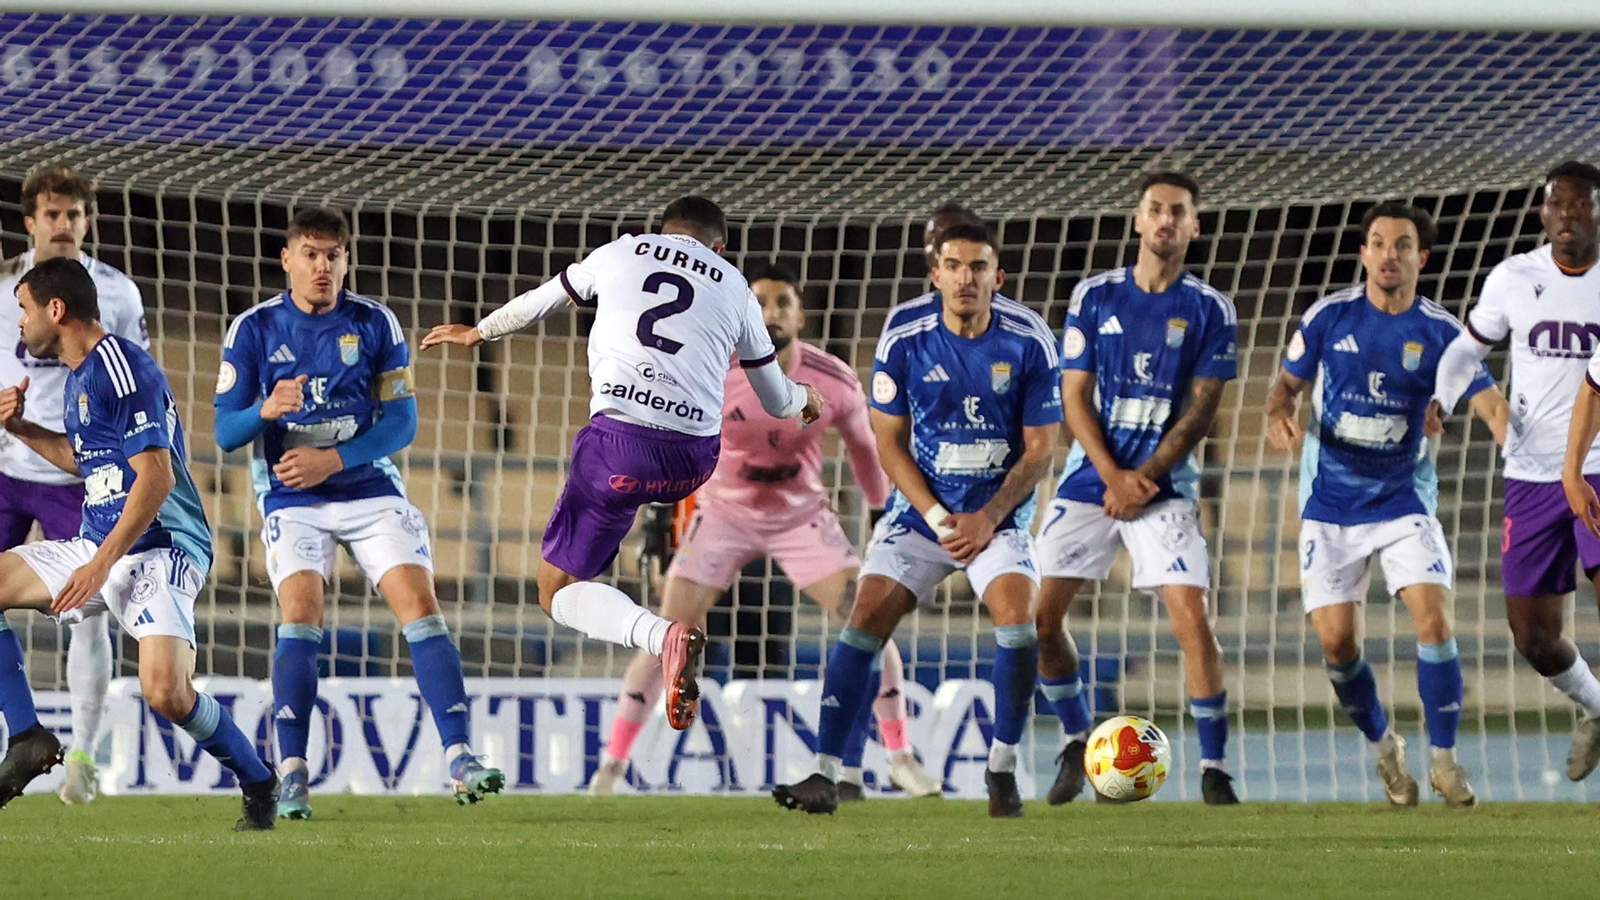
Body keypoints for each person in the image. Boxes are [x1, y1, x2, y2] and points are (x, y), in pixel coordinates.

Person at [422, 196, 821, 732]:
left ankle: (662, 635)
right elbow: (776, 401)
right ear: (721, 247)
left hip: (620, 449)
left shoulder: (623, 252)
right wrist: (804, 398)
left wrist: (479, 332)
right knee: (643, 493)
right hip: (691, 460)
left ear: (660, 231)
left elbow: (545, 299)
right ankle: (661, 541)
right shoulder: (735, 287)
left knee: (555, 590)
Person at [590, 264, 940, 799]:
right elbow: (668, 435)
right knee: (669, 630)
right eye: (761, 303)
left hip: (800, 518)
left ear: (800, 314)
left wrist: (880, 515)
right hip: (724, 514)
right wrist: (659, 509)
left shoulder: (833, 379)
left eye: (783, 303)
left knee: (871, 617)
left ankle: (899, 755)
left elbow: (869, 451)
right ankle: (611, 768)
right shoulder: (712, 368)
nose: (772, 313)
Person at [215, 208, 500, 819]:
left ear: (347, 259)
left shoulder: (374, 322)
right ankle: (291, 771)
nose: (324, 266)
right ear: (287, 259)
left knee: (422, 609)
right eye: (312, 254)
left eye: (335, 255)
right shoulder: (253, 329)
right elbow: (223, 432)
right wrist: (264, 411)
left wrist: (334, 459)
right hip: (292, 498)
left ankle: (460, 758)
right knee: (302, 613)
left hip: (367, 487)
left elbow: (402, 422)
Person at [772, 222, 1060, 818]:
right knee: (864, 619)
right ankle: (826, 774)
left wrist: (985, 518)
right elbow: (888, 441)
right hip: (919, 514)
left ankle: (1002, 766)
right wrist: (935, 515)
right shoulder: (905, 334)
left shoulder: (1030, 339)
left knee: (1019, 624)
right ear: (936, 275)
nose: (966, 278)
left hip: (996, 518)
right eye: (953, 265)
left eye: (978, 267)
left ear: (997, 278)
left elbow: (1040, 449)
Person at [0, 257, 278, 829]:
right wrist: (23, 430)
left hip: (161, 546)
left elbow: (157, 478)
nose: (20, 323)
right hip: (99, 542)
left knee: (167, 693)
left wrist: (99, 567)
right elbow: (89, 463)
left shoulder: (122, 366)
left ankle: (259, 780)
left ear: (56, 309)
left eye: (24, 309)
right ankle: (27, 735)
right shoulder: (80, 377)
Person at [1266, 202, 1507, 808]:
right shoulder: (1329, 317)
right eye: (1378, 243)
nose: (1389, 254)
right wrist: (1278, 413)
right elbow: (1285, 386)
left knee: (1435, 620)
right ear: (1364, 255)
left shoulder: (1443, 332)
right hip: (1330, 503)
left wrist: (1531, 462)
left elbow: (1491, 405)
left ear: (1420, 259)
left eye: (1402, 245)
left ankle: (1445, 761)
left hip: (1404, 500)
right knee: (1337, 645)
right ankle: (1384, 748)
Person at [1036, 171, 1240, 805]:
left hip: (1165, 489)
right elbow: (1073, 395)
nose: (1166, 221)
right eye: (1156, 209)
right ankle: (1076, 740)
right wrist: (1113, 476)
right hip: (1090, 481)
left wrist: (1143, 479)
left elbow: (1202, 410)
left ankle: (1214, 769)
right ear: (1137, 220)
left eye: (1179, 212)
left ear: (1194, 225)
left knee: (1193, 621)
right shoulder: (1094, 297)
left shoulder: (1210, 308)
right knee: (1038, 620)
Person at [1441, 161, 1600, 781]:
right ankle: (1593, 706)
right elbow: (1466, 349)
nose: (1568, 217)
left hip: (1597, 468)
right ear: (1542, 215)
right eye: (1557, 207)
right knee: (1533, 636)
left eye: (1581, 206)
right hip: (1531, 474)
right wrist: (1442, 398)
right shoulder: (1514, 278)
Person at [0, 164, 149, 805]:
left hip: (78, 478)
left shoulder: (115, 295)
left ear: (88, 222)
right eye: (52, 215)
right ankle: (24, 731)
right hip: (6, 468)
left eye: (74, 215)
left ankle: (82, 756)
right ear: (30, 222)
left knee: (87, 618)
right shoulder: (6, 292)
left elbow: (139, 385)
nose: (64, 226)